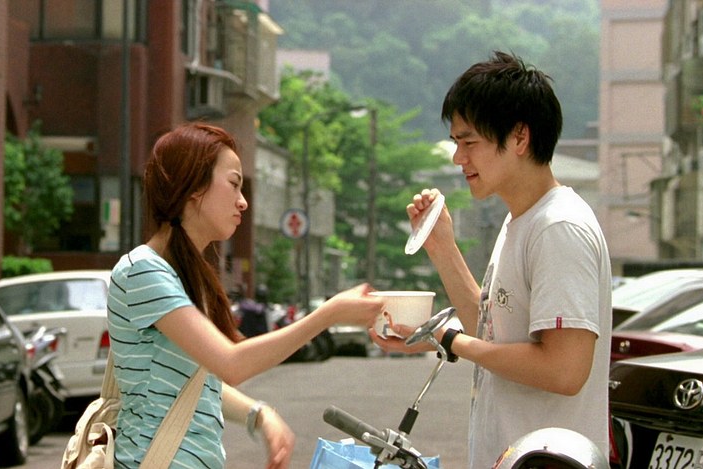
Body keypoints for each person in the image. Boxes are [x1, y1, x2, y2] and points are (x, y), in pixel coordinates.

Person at [371, 51, 612, 467]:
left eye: (469, 143)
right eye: (456, 143)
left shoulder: (558, 227)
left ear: (519, 137)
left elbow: (565, 370)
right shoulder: (521, 221)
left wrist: (448, 340)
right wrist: (442, 246)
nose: (458, 158)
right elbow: (490, 331)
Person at [107, 122, 384, 468]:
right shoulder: (143, 271)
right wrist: (330, 313)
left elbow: (194, 383)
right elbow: (231, 363)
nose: (243, 201)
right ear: (194, 187)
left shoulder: (184, 275)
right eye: (233, 184)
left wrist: (258, 413)